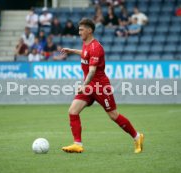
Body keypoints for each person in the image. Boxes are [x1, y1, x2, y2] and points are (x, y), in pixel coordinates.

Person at [61, 18, 144, 153]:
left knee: (113, 115)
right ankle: (77, 144)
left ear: (89, 30)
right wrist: (72, 50)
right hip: (89, 86)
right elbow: (86, 54)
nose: (79, 32)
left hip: (100, 86)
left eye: (81, 30)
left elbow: (92, 70)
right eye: (79, 29)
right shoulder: (86, 44)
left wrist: (83, 85)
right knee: (73, 111)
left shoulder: (96, 47)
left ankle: (137, 136)